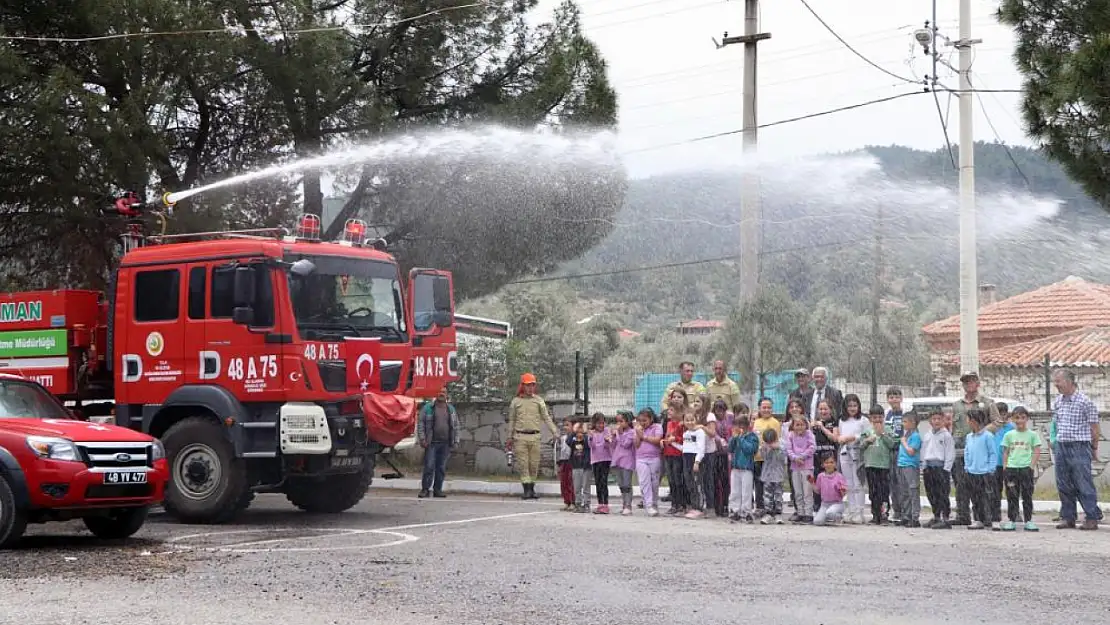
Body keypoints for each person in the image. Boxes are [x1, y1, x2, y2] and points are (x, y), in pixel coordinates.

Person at [1050, 368, 1102, 530]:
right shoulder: (1058, 401)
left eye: (1058, 381)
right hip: (1062, 446)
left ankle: (1091, 517)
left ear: (1069, 381)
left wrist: (1094, 448)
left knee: (1083, 482)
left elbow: (1094, 428)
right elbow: (1056, 423)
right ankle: (1068, 517)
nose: (1056, 385)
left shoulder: (1085, 402)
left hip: (1079, 446)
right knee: (1063, 483)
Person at [950, 371, 1002, 525]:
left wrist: (982, 432)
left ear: (978, 383)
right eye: (965, 382)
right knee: (961, 484)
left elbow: (998, 422)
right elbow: (955, 425)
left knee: (982, 486)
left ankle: (985, 515)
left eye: (971, 381)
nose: (968, 384)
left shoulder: (987, 403)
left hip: (981, 450)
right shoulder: (957, 405)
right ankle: (962, 514)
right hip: (961, 449)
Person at [506, 373, 560, 500]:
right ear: (523, 386)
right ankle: (526, 490)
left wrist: (555, 431)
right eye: (528, 385)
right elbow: (512, 420)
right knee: (523, 464)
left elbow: (546, 417)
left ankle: (532, 489)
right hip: (520, 436)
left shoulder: (539, 401)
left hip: (535, 437)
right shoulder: (516, 402)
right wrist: (509, 437)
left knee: (534, 464)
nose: (531, 388)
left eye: (533, 385)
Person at [1001, 406, 1042, 531]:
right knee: (1012, 496)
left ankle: (1028, 520)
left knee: (1027, 495)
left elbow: (1036, 450)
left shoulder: (1032, 435)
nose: (1020, 421)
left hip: (1025, 469)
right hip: (1011, 469)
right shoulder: (1009, 435)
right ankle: (1012, 520)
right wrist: (1005, 467)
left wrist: (1031, 466)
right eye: (1017, 418)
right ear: (1013, 419)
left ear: (1027, 419)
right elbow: (1006, 452)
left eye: (1023, 418)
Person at [416, 391, 459, 499]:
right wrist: (422, 438)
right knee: (429, 466)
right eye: (440, 392)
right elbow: (420, 423)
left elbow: (456, 426)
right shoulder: (428, 408)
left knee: (441, 468)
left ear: (447, 395)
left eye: (444, 392)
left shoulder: (451, 409)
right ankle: (425, 490)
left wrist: (456, 441)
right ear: (436, 394)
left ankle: (437, 490)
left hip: (446, 444)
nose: (442, 394)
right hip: (431, 443)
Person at [860, 406, 897, 525]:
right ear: (870, 418)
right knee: (873, 491)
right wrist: (867, 441)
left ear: (883, 417)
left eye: (880, 417)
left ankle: (884, 514)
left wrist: (883, 434)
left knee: (884, 491)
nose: (877, 420)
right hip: (870, 464)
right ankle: (875, 514)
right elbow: (861, 446)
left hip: (883, 466)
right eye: (874, 417)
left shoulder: (888, 429)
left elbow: (892, 444)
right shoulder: (867, 430)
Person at [963, 409, 998, 530]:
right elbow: (967, 452)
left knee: (989, 497)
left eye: (968, 419)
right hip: (972, 472)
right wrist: (967, 467)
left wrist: (991, 469)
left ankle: (993, 519)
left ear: (974, 421)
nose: (967, 422)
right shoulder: (969, 437)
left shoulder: (988, 436)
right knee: (975, 497)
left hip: (985, 472)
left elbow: (993, 453)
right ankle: (978, 519)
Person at [836, 394, 868, 523]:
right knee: (848, 483)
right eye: (850, 406)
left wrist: (853, 438)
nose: (853, 408)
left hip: (857, 454)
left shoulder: (863, 420)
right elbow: (840, 435)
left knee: (858, 483)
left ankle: (859, 512)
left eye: (855, 405)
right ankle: (851, 509)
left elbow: (867, 435)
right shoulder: (842, 420)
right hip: (844, 453)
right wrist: (841, 439)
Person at [921, 410, 955, 529]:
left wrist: (947, 469)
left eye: (939, 419)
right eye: (934, 419)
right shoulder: (927, 435)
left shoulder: (946, 435)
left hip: (941, 467)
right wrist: (924, 465)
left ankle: (945, 518)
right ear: (930, 421)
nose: (936, 421)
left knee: (942, 493)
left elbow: (950, 453)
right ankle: (936, 516)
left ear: (943, 420)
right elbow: (924, 450)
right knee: (932, 493)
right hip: (929, 467)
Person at [751, 398, 781, 515]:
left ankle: (771, 506)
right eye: (764, 407)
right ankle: (759, 506)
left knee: (770, 483)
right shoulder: (756, 422)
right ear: (759, 408)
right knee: (758, 483)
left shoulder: (775, 423)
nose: (766, 410)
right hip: (757, 457)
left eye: (769, 407)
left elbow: (776, 441)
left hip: (770, 459)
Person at [662, 388, 689, 515]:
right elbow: (666, 436)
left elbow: (685, 438)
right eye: (669, 409)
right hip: (668, 454)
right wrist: (663, 441)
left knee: (679, 480)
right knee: (671, 480)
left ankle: (682, 504)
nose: (669, 412)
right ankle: (674, 504)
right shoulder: (668, 423)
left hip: (678, 454)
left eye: (671, 410)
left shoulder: (681, 424)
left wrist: (676, 438)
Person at [810, 399, 839, 513]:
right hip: (817, 457)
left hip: (830, 457)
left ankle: (831, 507)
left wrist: (823, 428)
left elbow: (835, 438)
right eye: (821, 409)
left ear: (830, 410)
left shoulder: (834, 422)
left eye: (825, 409)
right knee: (818, 482)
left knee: (830, 482)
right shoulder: (814, 423)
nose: (823, 411)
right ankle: (817, 507)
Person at [728, 415, 759, 523]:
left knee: (746, 491)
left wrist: (740, 438)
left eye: (741, 425)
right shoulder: (735, 437)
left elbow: (750, 450)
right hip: (735, 468)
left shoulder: (752, 437)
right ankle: (734, 510)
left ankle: (746, 512)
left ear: (746, 426)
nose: (738, 427)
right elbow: (730, 448)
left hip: (747, 468)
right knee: (735, 491)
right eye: (736, 425)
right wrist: (734, 438)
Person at [883, 386, 908, 524]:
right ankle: (896, 510)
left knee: (902, 481)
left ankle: (905, 510)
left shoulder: (905, 413)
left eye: (897, 397)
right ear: (888, 399)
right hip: (889, 450)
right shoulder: (887, 414)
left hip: (901, 450)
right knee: (892, 481)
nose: (894, 400)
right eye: (891, 397)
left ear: (901, 398)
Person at [785, 416, 816, 524]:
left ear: (806, 425)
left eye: (802, 424)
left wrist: (802, 456)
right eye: (797, 425)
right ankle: (800, 512)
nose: (799, 427)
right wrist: (795, 458)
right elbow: (788, 449)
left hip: (807, 467)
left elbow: (812, 447)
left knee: (807, 491)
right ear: (793, 426)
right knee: (798, 491)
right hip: (795, 467)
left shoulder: (809, 435)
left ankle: (808, 513)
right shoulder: (790, 435)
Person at [634, 408, 664, 516]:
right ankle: (649, 505)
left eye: (645, 420)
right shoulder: (638, 429)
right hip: (641, 459)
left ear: (651, 419)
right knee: (644, 481)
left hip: (654, 458)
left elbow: (657, 440)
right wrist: (638, 434)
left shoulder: (657, 427)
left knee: (654, 482)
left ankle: (654, 503)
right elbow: (636, 445)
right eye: (640, 420)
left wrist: (644, 437)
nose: (642, 423)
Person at [895, 413, 923, 528]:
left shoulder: (915, 436)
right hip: (902, 464)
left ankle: (915, 516)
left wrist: (904, 442)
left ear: (913, 423)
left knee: (913, 490)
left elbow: (911, 451)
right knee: (904, 491)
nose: (903, 424)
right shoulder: (905, 434)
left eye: (905, 421)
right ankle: (906, 515)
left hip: (910, 465)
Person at [990, 402, 1014, 525]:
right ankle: (995, 514)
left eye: (1003, 414)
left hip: (1009, 464)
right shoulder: (991, 429)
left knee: (1011, 490)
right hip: (995, 464)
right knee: (995, 491)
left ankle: (1013, 514)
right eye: (998, 415)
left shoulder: (1012, 428)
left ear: (1007, 414)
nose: (1001, 417)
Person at [681, 412, 707, 519]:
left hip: (695, 460)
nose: (690, 422)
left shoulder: (699, 432)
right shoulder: (685, 433)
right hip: (686, 459)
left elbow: (701, 448)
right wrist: (671, 443)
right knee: (690, 484)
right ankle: (693, 505)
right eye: (687, 420)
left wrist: (697, 462)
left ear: (696, 420)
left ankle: (699, 508)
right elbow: (685, 448)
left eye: (692, 420)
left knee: (697, 484)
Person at [611, 410, 637, 516]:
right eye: (618, 422)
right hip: (617, 459)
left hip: (627, 461)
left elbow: (626, 444)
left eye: (621, 421)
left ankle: (628, 506)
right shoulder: (618, 432)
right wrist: (612, 437)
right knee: (621, 484)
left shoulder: (632, 432)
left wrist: (620, 434)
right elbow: (613, 445)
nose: (619, 424)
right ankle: (624, 504)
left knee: (627, 484)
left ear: (628, 421)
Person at [710, 399, 733, 517]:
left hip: (726, 454)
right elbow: (714, 434)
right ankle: (716, 505)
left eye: (722, 410)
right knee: (715, 480)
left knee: (726, 481)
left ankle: (725, 505)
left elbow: (733, 431)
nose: (720, 413)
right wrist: (721, 441)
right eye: (717, 410)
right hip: (715, 453)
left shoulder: (730, 418)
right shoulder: (711, 419)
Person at [587, 412, 614, 515]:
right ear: (594, 423)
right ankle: (600, 504)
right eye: (598, 423)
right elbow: (591, 446)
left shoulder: (607, 431)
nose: (601, 425)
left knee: (604, 482)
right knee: (598, 482)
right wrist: (590, 438)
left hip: (606, 459)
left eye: (602, 423)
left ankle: (606, 505)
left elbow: (608, 445)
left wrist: (607, 441)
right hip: (595, 460)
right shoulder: (592, 433)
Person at [759, 428, 787, 525]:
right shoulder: (764, 446)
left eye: (771, 441)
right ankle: (768, 513)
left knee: (778, 495)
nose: (770, 443)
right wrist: (765, 448)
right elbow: (763, 456)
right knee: (767, 495)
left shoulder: (782, 444)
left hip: (778, 475)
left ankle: (778, 513)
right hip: (767, 475)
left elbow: (784, 458)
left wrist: (778, 448)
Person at [813, 454, 848, 526]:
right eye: (826, 463)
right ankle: (827, 517)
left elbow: (843, 494)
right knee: (817, 522)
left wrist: (842, 490)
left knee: (830, 513)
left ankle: (839, 516)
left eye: (831, 462)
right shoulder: (820, 476)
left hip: (837, 503)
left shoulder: (839, 476)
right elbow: (817, 491)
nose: (829, 465)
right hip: (824, 504)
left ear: (835, 464)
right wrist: (812, 483)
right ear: (823, 465)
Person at [567, 422, 592, 513]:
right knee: (577, 487)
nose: (580, 434)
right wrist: (574, 432)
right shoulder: (573, 440)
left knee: (586, 486)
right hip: (576, 466)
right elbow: (568, 441)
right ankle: (578, 504)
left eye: (582, 432)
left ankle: (586, 504)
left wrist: (585, 433)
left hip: (586, 466)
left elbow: (589, 442)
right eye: (578, 432)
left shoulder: (586, 440)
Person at [555, 416, 575, 511]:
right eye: (564, 425)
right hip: (564, 462)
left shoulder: (576, 437)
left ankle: (573, 502)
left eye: (568, 425)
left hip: (572, 462)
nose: (565, 427)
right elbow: (561, 451)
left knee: (571, 482)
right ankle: (566, 501)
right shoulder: (563, 438)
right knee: (564, 483)